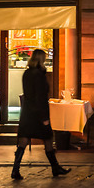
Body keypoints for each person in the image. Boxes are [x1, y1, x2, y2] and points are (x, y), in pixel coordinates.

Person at [11, 49, 70, 180]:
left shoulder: (27, 73)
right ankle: (55, 167)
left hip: (27, 112)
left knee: (24, 140)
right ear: (41, 59)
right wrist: (44, 117)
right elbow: (40, 96)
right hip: (38, 113)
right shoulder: (39, 75)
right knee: (48, 138)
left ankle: (16, 169)